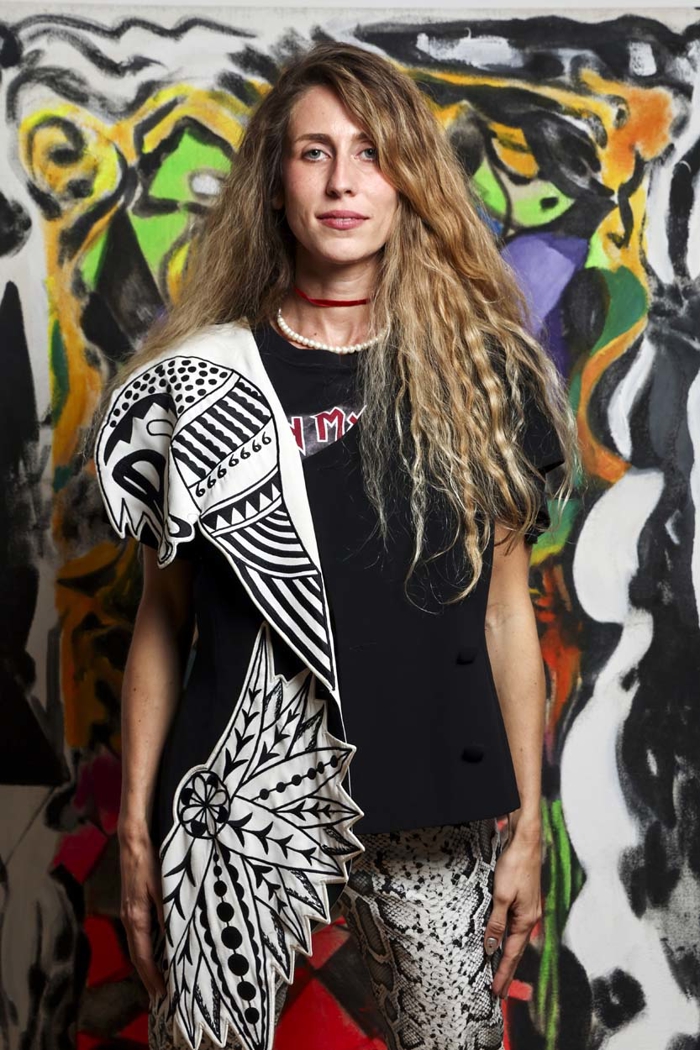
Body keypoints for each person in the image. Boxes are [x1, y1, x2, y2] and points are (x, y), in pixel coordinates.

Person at [91, 40, 577, 1050]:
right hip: (235, 804)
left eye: (372, 152)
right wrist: (136, 832)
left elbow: (503, 614)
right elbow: (162, 624)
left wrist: (529, 823)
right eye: (314, 151)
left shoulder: (483, 377)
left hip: (431, 803)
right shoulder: (201, 382)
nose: (344, 180)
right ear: (275, 181)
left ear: (408, 180)